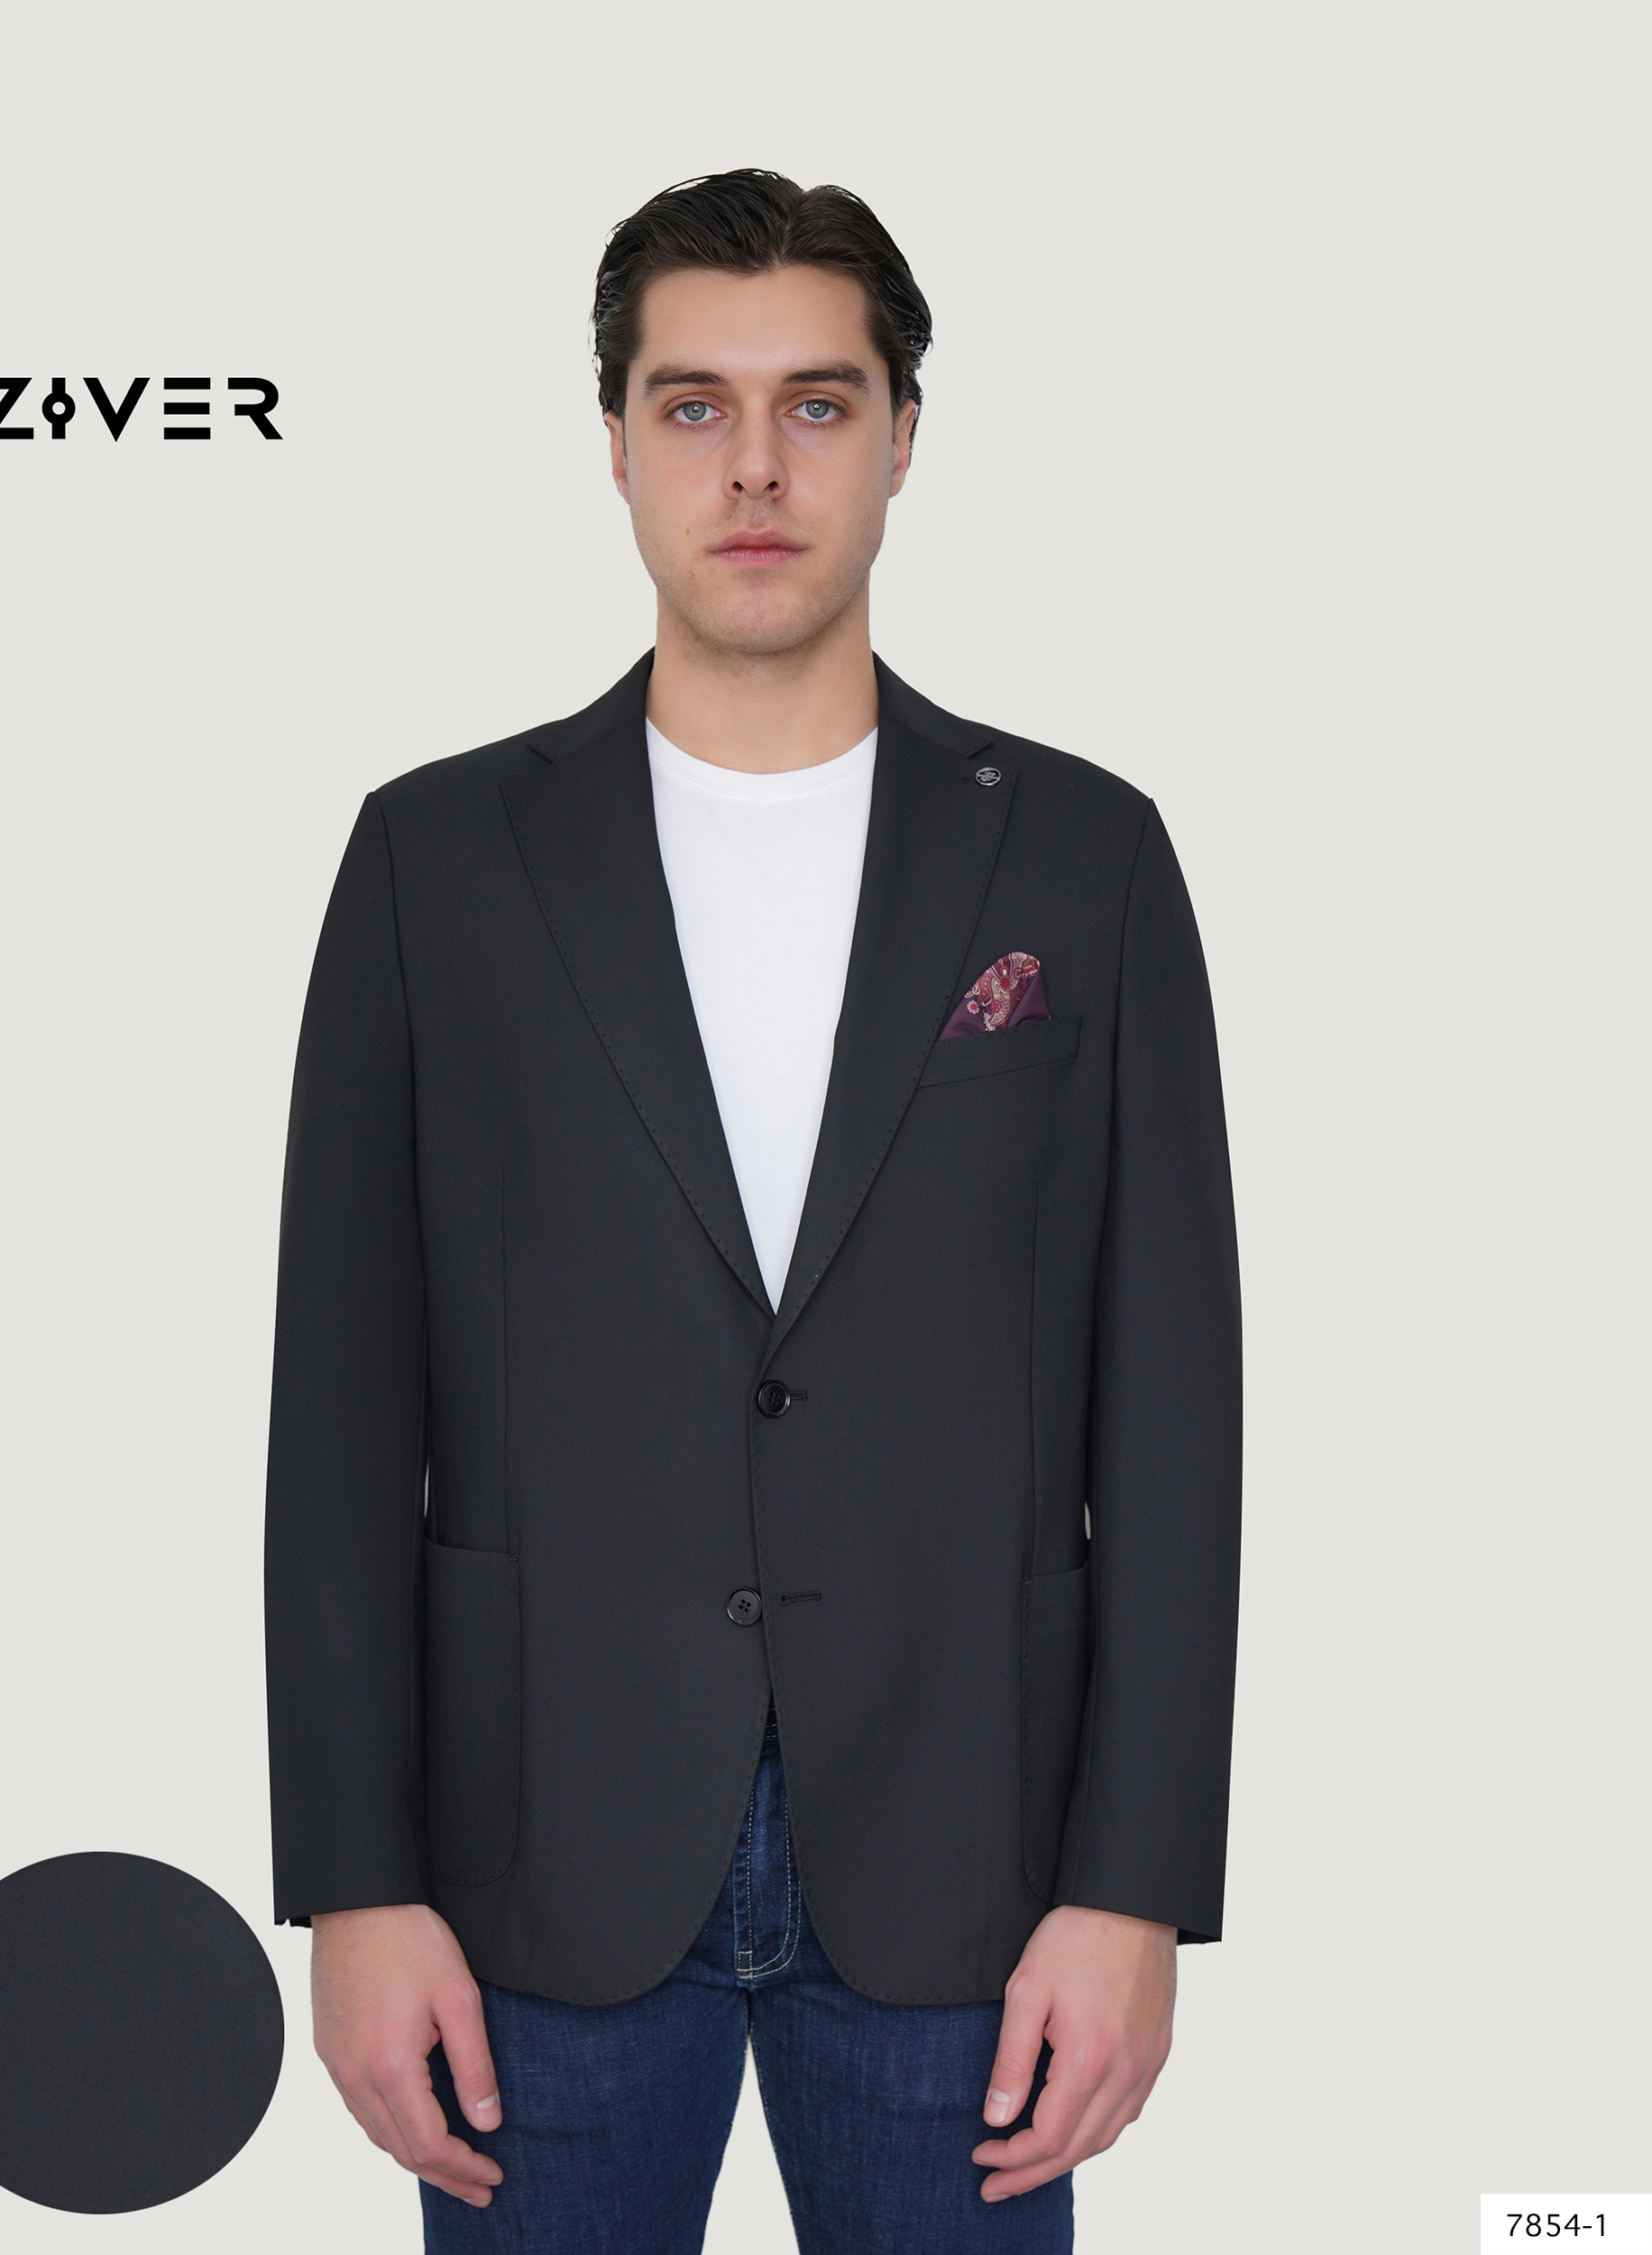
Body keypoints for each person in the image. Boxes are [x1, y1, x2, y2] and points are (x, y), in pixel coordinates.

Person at [263, 168, 1241, 2254]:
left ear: (902, 436)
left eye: (817, 402)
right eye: (692, 405)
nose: (756, 468)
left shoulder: (1083, 855)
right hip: (529, 1863)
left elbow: (1172, 1403)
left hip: (975, 1868)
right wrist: (354, 1880)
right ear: (614, 442)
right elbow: (337, 1408)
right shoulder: (437, 857)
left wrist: (1135, 1882)